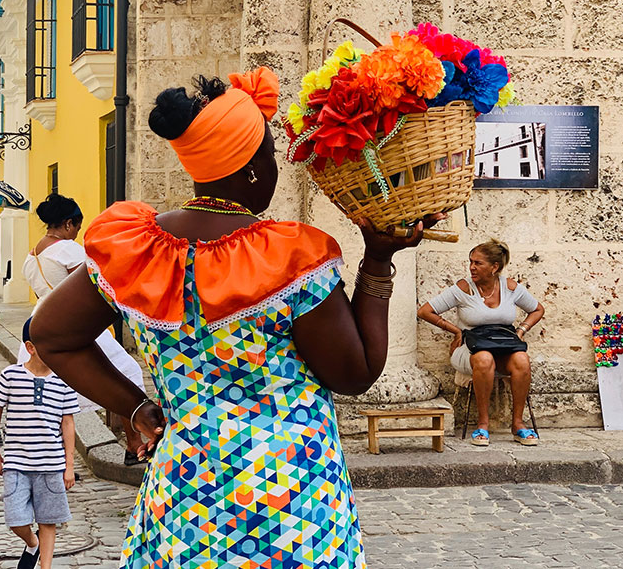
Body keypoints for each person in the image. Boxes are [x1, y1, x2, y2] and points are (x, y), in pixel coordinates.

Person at [28, 67, 442, 567]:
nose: (273, 167)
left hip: (187, 494)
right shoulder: (291, 257)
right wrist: (376, 261)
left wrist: (135, 406)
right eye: (269, 156)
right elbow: (354, 374)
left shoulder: (139, 249)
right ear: (250, 170)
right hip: (293, 499)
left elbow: (51, 334)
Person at [20, 193, 148, 464]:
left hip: (39, 324)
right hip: (74, 324)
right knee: (125, 375)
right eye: (77, 227)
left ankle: (46, 458)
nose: (77, 233)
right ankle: (133, 445)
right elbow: (95, 288)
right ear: (68, 224)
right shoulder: (69, 249)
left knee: (47, 394)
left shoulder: (32, 256)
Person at [417, 239, 545, 447]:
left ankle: (518, 424)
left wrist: (522, 330)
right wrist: (456, 330)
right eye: (471, 262)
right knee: (485, 359)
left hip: (504, 347)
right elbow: (425, 311)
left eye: (478, 263)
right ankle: (482, 424)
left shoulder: (510, 287)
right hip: (470, 349)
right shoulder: (463, 288)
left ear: (494, 267)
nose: (472, 267)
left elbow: (537, 309)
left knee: (522, 359)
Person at [0, 318, 78, 569]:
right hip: (16, 463)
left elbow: (67, 424)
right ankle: (32, 543)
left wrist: (68, 466)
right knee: (15, 518)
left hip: (51, 464)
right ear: (30, 347)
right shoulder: (10, 375)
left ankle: (45, 566)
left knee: (49, 520)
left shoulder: (63, 381)